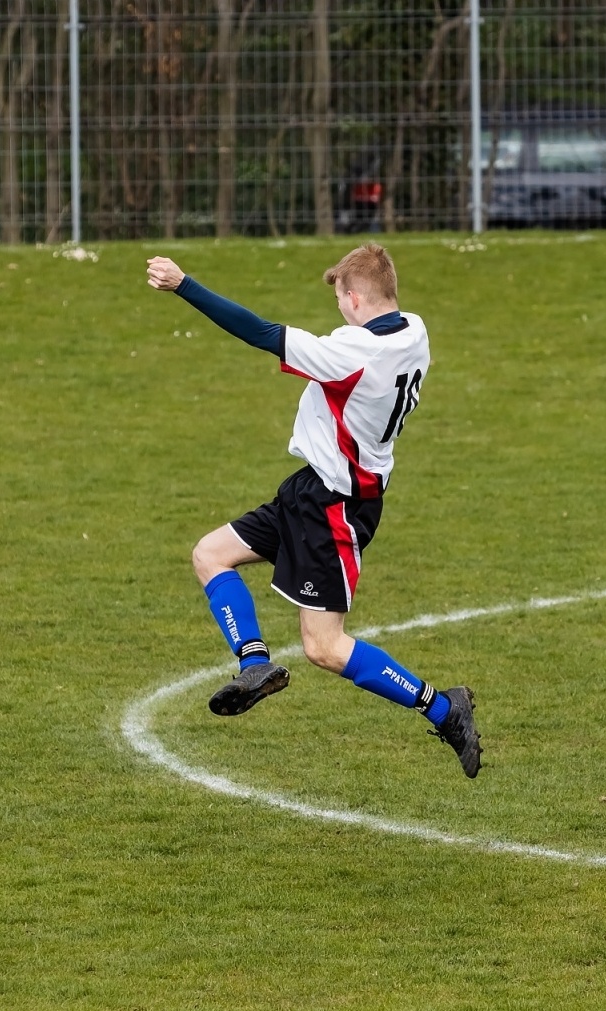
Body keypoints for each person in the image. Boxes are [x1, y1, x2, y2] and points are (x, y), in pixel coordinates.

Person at [144, 244, 483, 779]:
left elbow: (258, 331)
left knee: (324, 647)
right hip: (309, 490)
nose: (338, 311)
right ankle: (255, 666)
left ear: (352, 298)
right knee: (211, 554)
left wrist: (184, 284)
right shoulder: (413, 330)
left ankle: (445, 709)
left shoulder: (350, 353)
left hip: (336, 507)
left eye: (339, 299)